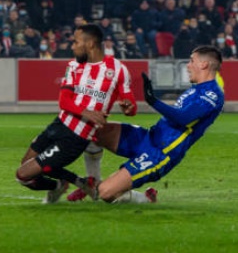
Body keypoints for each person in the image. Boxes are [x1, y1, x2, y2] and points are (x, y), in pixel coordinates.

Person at [15, 24, 137, 203]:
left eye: (76, 42)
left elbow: (131, 105)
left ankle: (68, 184)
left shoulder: (118, 70)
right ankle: (71, 183)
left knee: (22, 175)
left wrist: (128, 107)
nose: (72, 46)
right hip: (57, 125)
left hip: (75, 137)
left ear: (90, 44)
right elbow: (64, 101)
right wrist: (85, 112)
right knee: (26, 166)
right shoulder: (73, 66)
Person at [88, 46, 224, 203]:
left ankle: (145, 198)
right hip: (149, 137)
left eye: (192, 60)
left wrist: (153, 101)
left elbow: (184, 118)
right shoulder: (195, 90)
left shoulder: (212, 94)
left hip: (161, 153)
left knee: (106, 192)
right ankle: (91, 181)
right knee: (94, 129)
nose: (188, 65)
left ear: (204, 64)